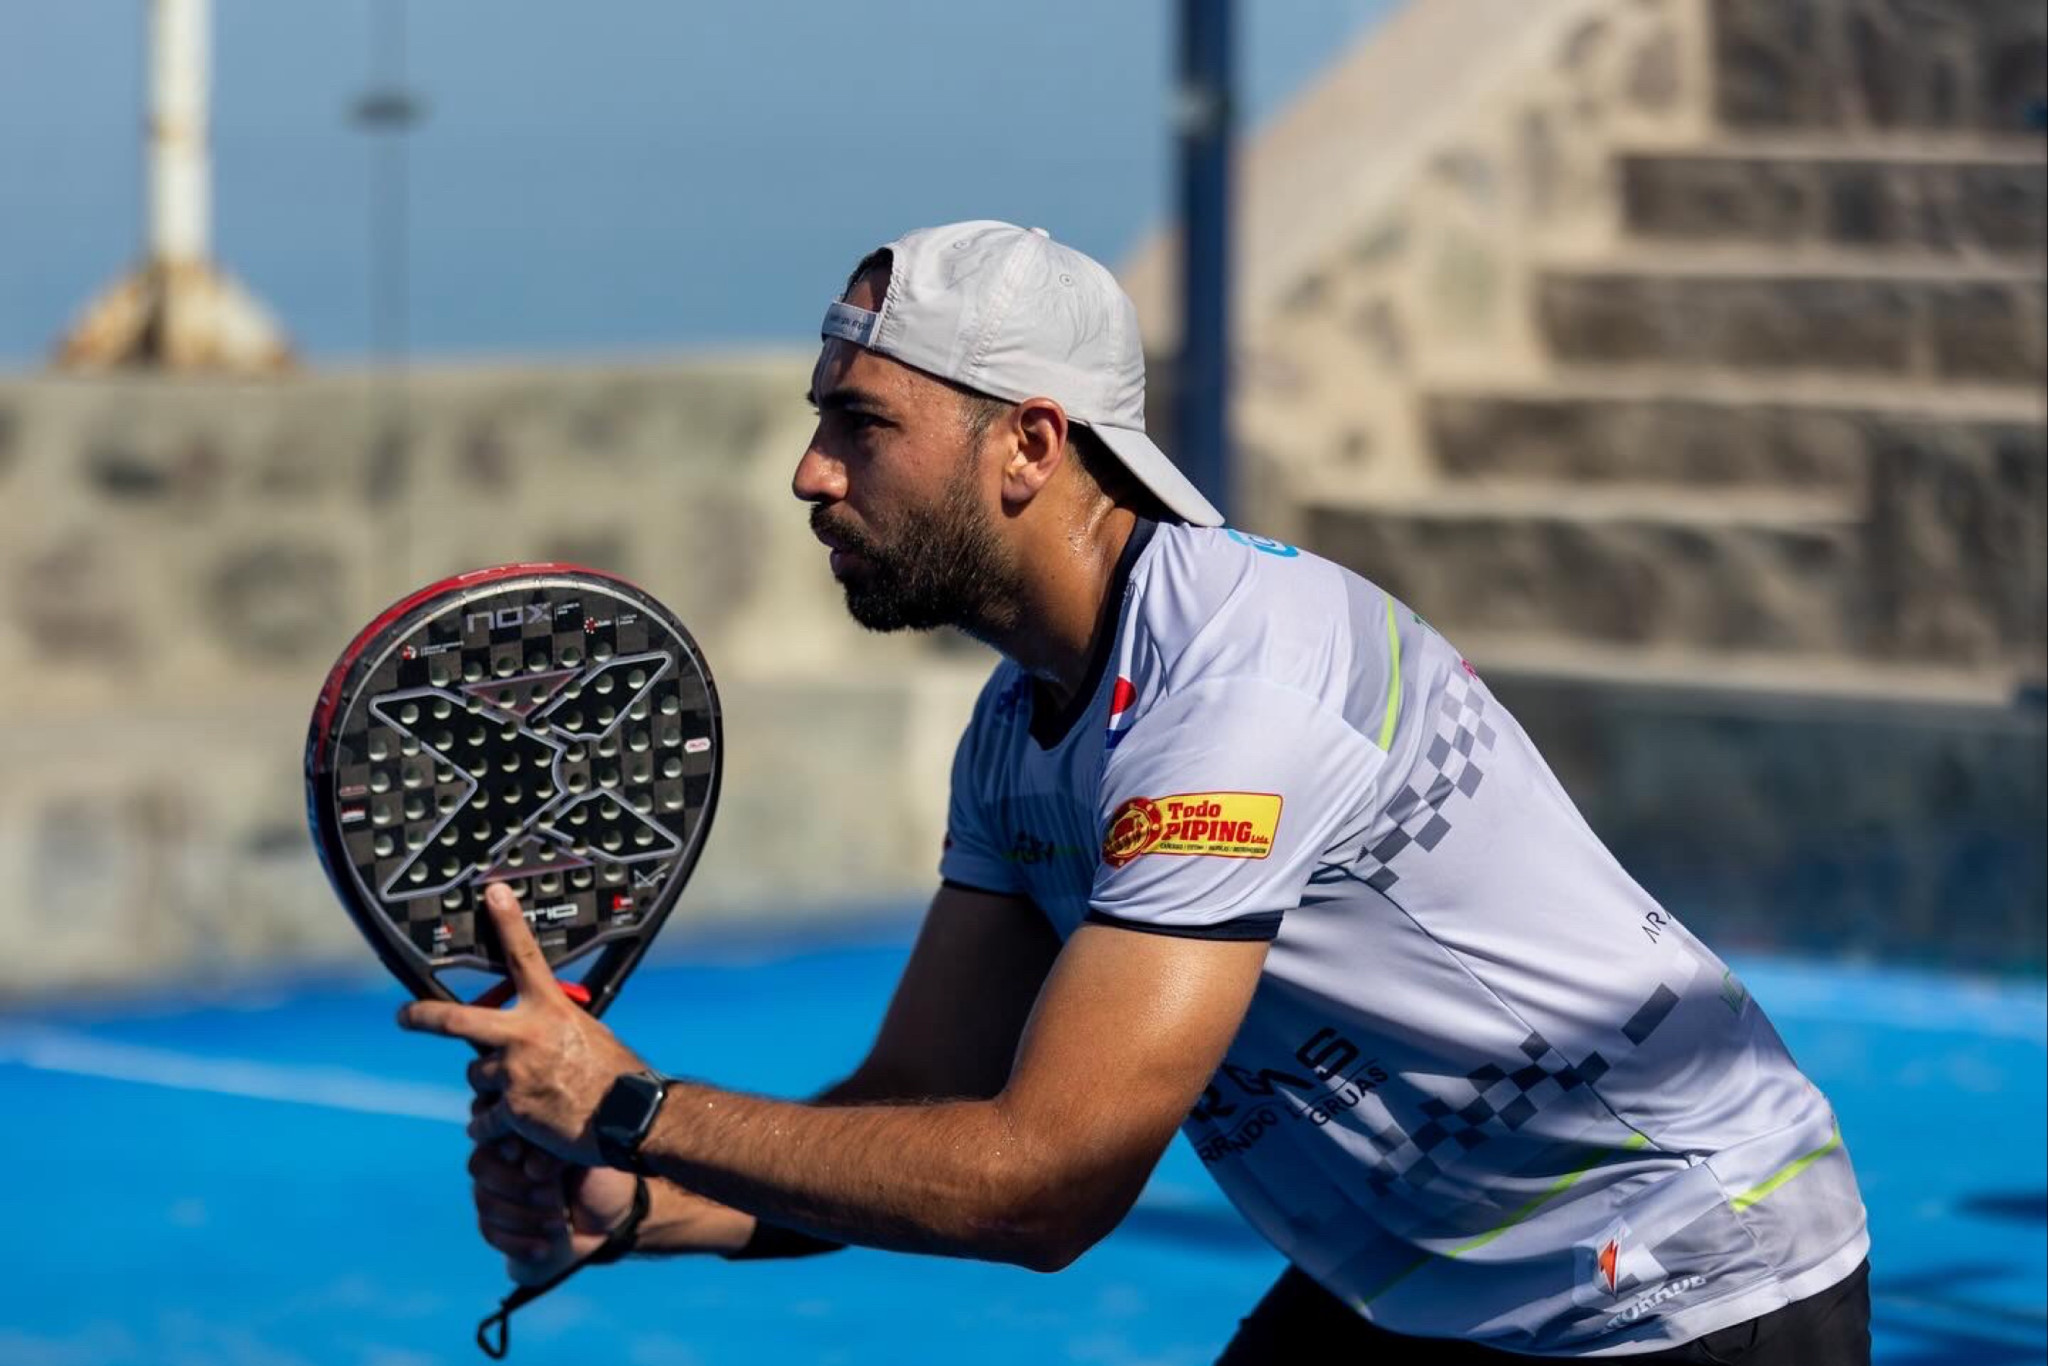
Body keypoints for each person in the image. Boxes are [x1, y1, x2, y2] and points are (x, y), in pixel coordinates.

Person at [401, 220, 1873, 1362]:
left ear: (1031, 445)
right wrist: (645, 1201)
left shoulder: (1238, 691)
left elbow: (1044, 1183)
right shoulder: (1016, 730)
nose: (810, 473)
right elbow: (917, 1106)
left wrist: (634, 1105)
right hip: (1433, 1275)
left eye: (861, 424)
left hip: (1679, 1272)